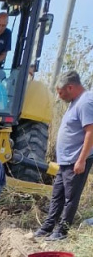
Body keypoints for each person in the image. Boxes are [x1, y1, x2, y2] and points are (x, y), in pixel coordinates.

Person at [34, 71, 93, 241]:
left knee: (70, 198)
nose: (60, 97)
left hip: (76, 160)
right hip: (66, 161)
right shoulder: (75, 101)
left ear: (71, 87)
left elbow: (90, 132)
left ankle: (61, 232)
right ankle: (48, 226)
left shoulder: (86, 102)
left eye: (61, 93)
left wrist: (81, 160)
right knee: (57, 195)